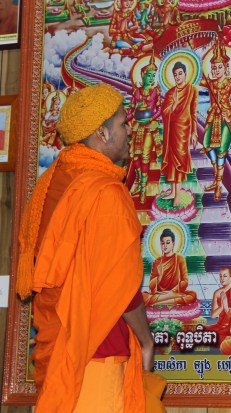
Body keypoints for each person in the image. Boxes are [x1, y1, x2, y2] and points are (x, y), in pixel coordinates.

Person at [16, 83, 158, 411]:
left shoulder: (52, 182)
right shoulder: (104, 193)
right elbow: (121, 287)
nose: (130, 131)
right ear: (102, 134)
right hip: (98, 353)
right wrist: (146, 340)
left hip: (60, 352)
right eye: (123, 124)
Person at [202, 31, 231, 202]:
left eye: (219, 67)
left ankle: (219, 183)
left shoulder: (230, 82)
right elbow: (199, 82)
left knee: (221, 150)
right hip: (213, 117)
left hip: (226, 118)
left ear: (226, 67)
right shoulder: (211, 83)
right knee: (207, 144)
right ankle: (215, 178)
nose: (216, 70)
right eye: (214, 67)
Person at [125, 53, 163, 203]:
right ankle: (141, 181)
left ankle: (143, 188)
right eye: (149, 75)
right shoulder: (137, 92)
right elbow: (131, 109)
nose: (151, 78)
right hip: (137, 127)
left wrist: (151, 117)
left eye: (153, 75)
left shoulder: (156, 91)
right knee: (134, 155)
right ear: (142, 75)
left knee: (145, 155)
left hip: (149, 126)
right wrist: (125, 119)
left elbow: (159, 109)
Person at [161, 60, 199, 206]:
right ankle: (172, 191)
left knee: (179, 159)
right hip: (170, 130)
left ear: (185, 74)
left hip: (183, 130)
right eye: (175, 74)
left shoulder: (192, 90)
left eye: (180, 73)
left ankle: (178, 194)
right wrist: (174, 105)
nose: (177, 77)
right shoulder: (170, 92)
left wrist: (194, 132)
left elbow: (193, 112)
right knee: (171, 159)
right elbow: (164, 113)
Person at [143, 228, 197, 306]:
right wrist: (159, 277)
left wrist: (172, 292)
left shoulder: (180, 258)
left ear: (173, 244)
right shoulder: (157, 262)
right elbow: (151, 285)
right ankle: (170, 299)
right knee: (143, 297)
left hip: (174, 292)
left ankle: (161, 302)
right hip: (160, 293)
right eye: (162, 243)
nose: (165, 246)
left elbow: (184, 281)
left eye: (168, 243)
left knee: (193, 295)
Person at [208, 267, 231, 341]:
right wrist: (222, 306)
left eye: (225, 276)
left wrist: (227, 308)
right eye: (220, 276)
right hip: (220, 325)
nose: (222, 278)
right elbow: (213, 315)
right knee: (202, 330)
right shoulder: (217, 293)